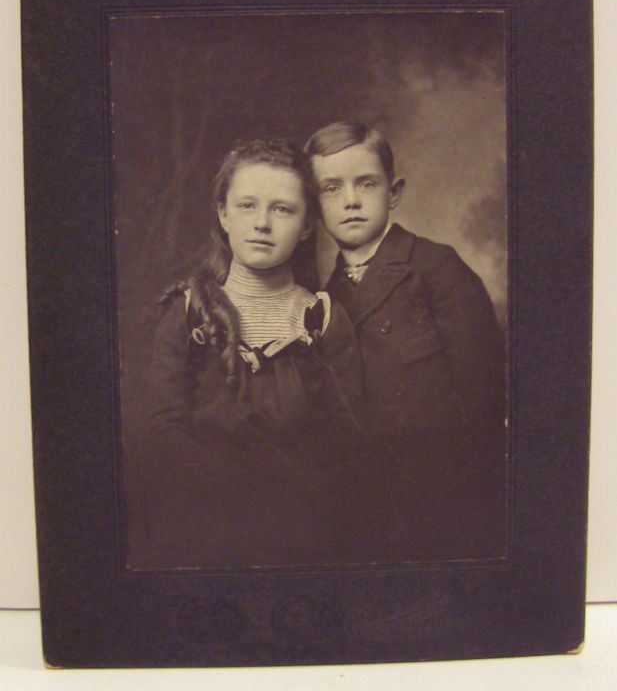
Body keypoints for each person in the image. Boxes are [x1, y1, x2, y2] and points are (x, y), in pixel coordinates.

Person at [135, 138, 376, 569]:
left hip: (303, 532)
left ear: (306, 226)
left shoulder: (321, 318)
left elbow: (347, 433)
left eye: (282, 209)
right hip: (202, 529)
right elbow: (163, 425)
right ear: (223, 214)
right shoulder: (191, 312)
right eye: (247, 206)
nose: (262, 223)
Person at [304, 121, 507, 561]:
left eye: (366, 184)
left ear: (393, 193)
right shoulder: (325, 296)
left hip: (445, 499)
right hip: (369, 506)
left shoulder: (436, 267)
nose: (351, 201)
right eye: (332, 188)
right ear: (316, 207)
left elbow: (485, 395)